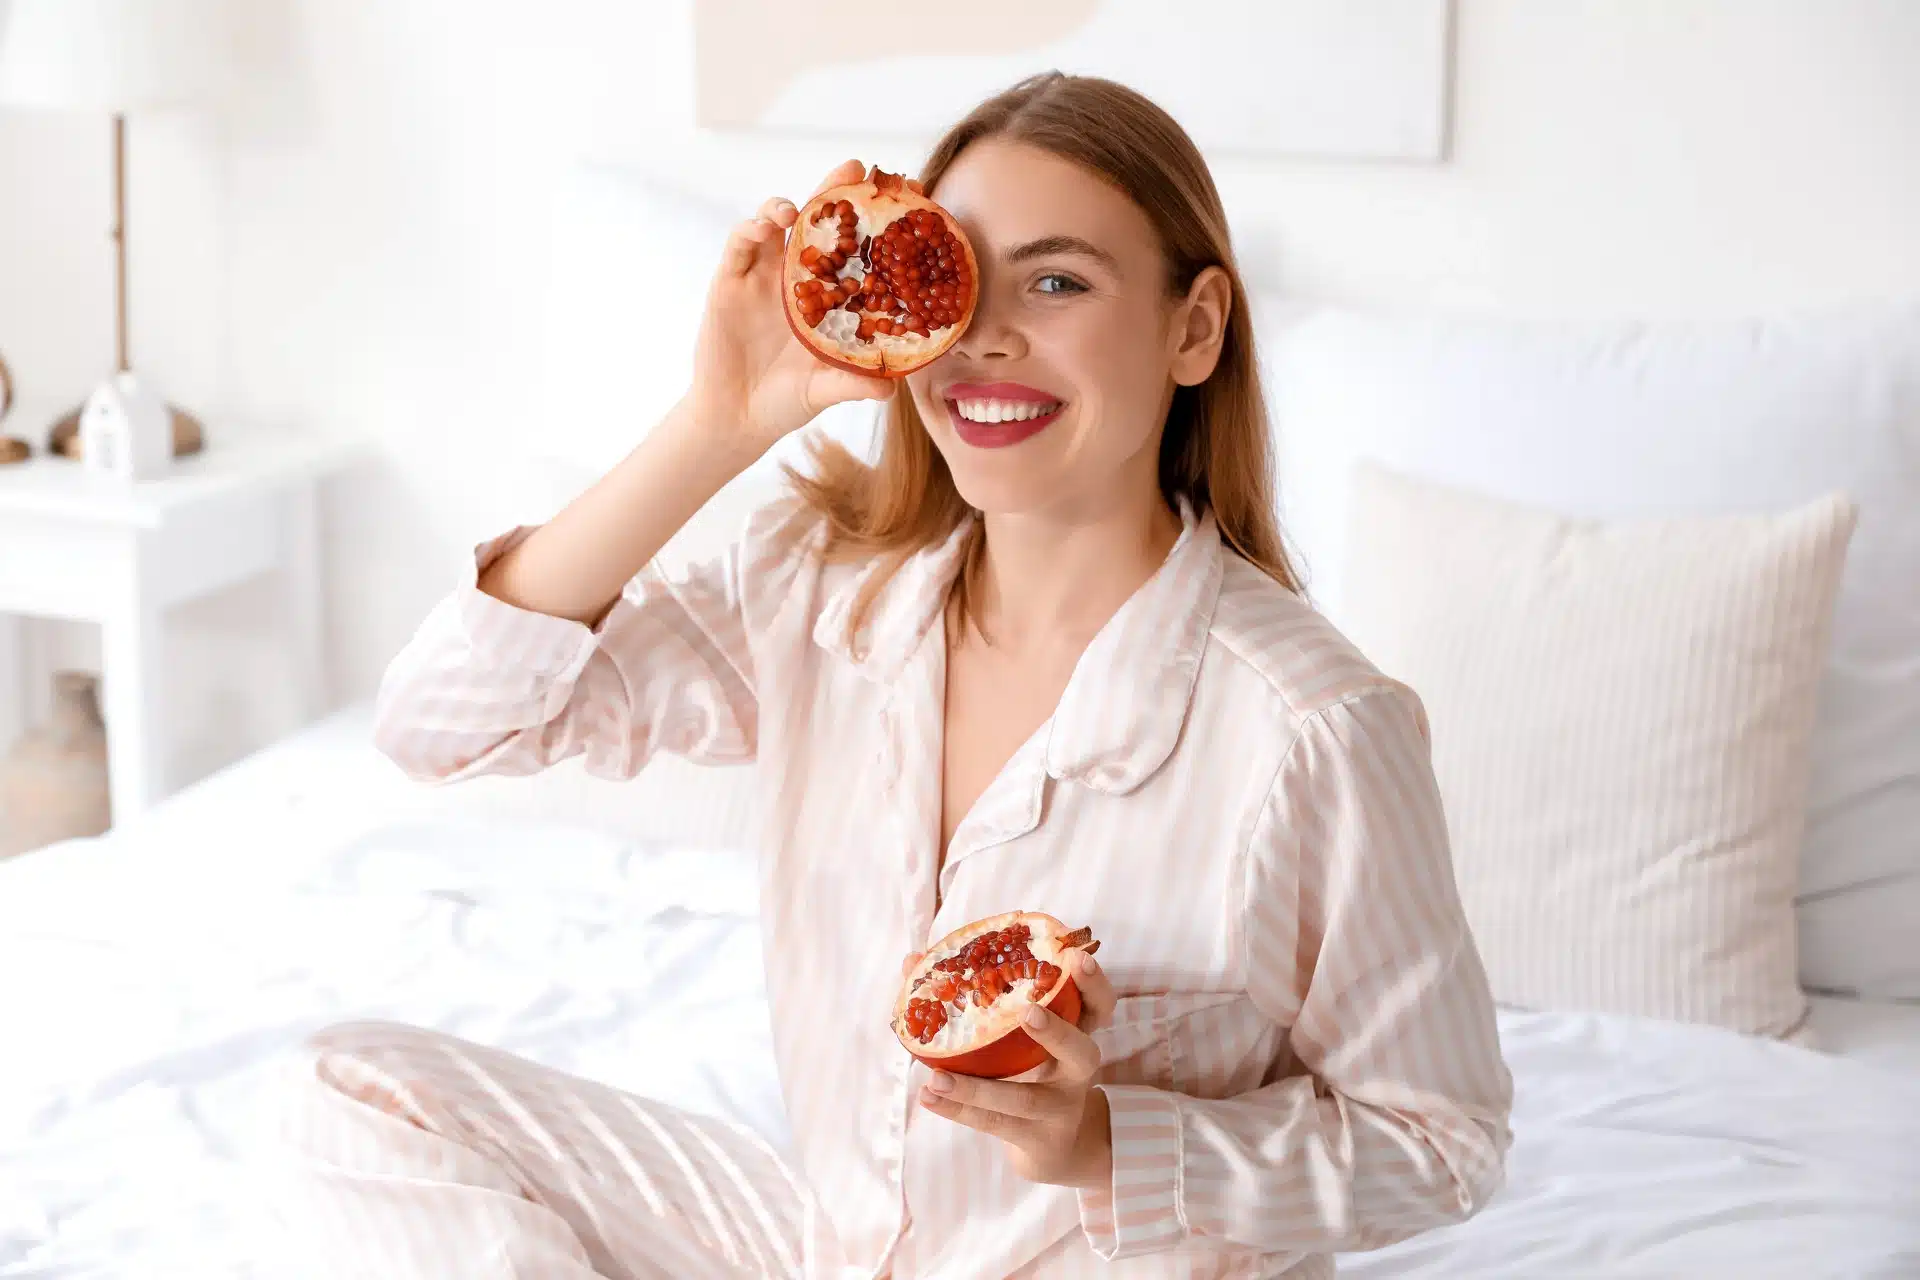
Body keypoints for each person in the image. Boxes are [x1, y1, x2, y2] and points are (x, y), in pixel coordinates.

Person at [269, 72, 1513, 1279]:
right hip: (842, 1249)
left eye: (1061, 280)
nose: (987, 338)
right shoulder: (829, 592)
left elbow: (1443, 1140)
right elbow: (439, 721)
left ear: (1194, 328)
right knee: (361, 1093)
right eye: (958, 281)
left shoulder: (1315, 728)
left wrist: (1114, 1144)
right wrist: (720, 421)